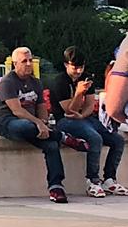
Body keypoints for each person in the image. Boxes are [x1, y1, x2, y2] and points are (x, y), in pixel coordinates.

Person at [0, 48, 67, 203]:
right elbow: (17, 110)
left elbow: (41, 107)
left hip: (33, 124)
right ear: (15, 64)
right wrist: (38, 123)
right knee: (25, 126)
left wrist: (44, 123)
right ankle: (62, 137)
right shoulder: (7, 82)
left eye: (30, 60)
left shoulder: (35, 82)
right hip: (9, 123)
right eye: (24, 61)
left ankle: (56, 187)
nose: (28, 64)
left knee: (52, 145)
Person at [49, 48, 123, 198]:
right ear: (66, 65)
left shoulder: (87, 78)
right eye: (74, 67)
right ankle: (93, 180)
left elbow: (90, 105)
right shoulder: (60, 82)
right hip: (64, 121)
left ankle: (109, 178)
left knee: (117, 140)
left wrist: (82, 115)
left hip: (83, 119)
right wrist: (78, 93)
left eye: (81, 67)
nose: (78, 71)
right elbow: (69, 111)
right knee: (95, 138)